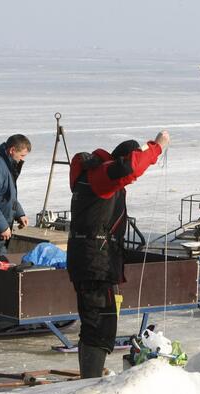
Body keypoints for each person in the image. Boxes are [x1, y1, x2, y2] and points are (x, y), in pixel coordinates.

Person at [67, 130, 170, 378]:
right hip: (94, 263)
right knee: (99, 326)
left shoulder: (96, 175)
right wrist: (157, 147)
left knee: (98, 323)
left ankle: (89, 375)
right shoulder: (101, 176)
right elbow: (129, 169)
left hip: (96, 260)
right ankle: (89, 383)